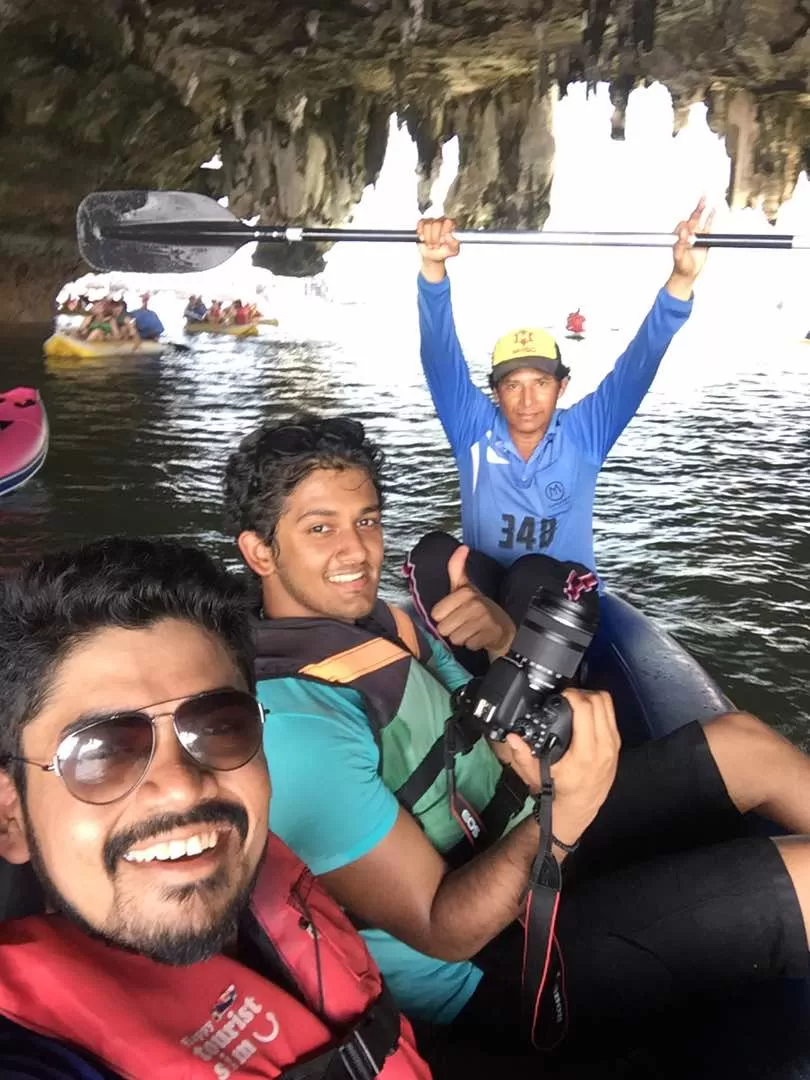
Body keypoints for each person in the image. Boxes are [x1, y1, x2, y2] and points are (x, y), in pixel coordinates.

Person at [224, 412, 810, 1055]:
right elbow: (442, 928)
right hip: (494, 966)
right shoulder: (295, 726)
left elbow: (484, 721)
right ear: (259, 550)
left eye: (366, 520)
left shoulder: (383, 623)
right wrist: (568, 814)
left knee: (743, 742)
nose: (357, 550)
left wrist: (505, 641)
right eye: (319, 528)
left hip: (525, 828)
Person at [0, 537, 430, 1080]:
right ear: (9, 815)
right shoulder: (29, 1053)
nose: (181, 787)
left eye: (221, 726)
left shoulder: (269, 888)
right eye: (103, 750)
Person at [407, 201, 712, 663]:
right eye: (513, 385)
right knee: (432, 552)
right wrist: (433, 269)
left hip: (560, 598)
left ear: (561, 386)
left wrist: (681, 282)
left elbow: (638, 364)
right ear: (495, 391)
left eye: (541, 384)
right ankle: (461, 675)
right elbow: (439, 357)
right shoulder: (472, 428)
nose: (528, 401)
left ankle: (526, 689)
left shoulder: (585, 432)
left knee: (533, 571)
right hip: (489, 594)